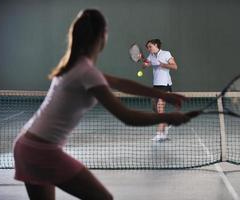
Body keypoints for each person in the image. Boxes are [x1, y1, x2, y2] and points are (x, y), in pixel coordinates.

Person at [13, 9, 198, 200]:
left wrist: (163, 96)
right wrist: (168, 116)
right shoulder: (87, 72)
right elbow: (127, 116)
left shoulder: (76, 65)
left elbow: (121, 83)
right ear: (103, 36)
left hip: (26, 145)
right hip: (41, 150)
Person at [141, 39, 178, 141]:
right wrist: (142, 60)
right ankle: (167, 123)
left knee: (160, 109)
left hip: (165, 85)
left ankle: (159, 134)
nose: (148, 49)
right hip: (156, 85)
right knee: (155, 109)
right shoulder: (151, 56)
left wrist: (163, 65)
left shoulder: (166, 54)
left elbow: (175, 66)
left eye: (150, 46)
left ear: (156, 45)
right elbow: (145, 65)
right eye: (147, 47)